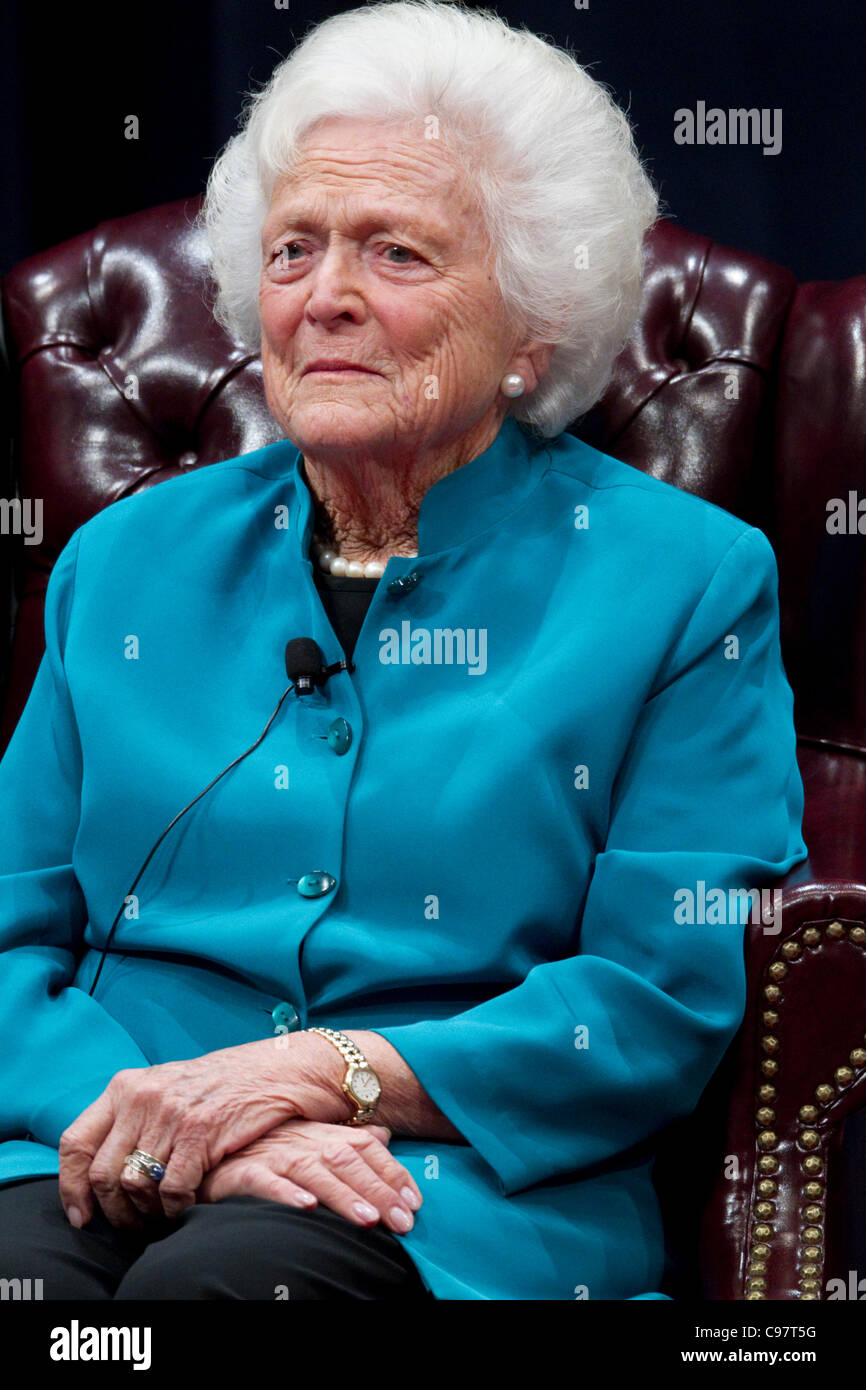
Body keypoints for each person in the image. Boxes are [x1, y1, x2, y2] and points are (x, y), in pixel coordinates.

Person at [0, 0, 806, 1300]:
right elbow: (7, 928)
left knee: (214, 1298)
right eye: (294, 250)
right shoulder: (124, 565)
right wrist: (167, 1119)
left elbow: (664, 983)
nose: (326, 298)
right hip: (85, 1137)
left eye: (397, 254)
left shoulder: (684, 586)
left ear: (531, 321)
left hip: (445, 1185)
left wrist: (326, 1074)